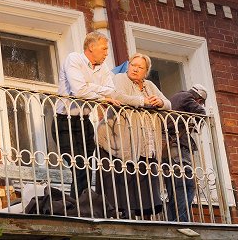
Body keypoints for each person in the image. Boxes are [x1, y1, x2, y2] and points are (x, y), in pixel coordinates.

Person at [96, 53, 171, 219]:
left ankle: (144, 217)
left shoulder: (149, 85)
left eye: (140, 67)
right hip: (120, 141)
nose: (135, 69)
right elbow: (118, 96)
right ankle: (123, 216)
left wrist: (160, 102)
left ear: (146, 72)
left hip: (146, 143)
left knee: (144, 184)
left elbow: (168, 103)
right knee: (124, 183)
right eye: (133, 64)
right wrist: (142, 102)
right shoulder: (120, 78)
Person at [52, 32, 119, 200]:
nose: (106, 53)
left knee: (89, 167)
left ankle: (82, 204)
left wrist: (91, 87)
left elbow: (112, 90)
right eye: (104, 49)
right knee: (79, 166)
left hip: (85, 122)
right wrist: (101, 95)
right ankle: (77, 207)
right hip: (64, 121)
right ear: (91, 47)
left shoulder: (102, 68)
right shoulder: (74, 59)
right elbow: (79, 91)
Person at [165, 84, 207, 222]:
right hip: (178, 145)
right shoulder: (187, 97)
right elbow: (201, 113)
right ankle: (182, 219)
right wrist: (196, 124)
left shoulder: (176, 96)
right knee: (186, 185)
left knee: (175, 185)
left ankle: (175, 218)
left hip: (170, 145)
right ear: (199, 98)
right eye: (200, 102)